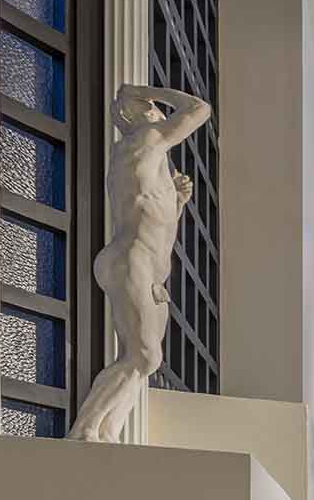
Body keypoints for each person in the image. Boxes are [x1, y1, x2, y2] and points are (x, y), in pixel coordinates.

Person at [68, 84, 212, 443]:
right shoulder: (144, 140)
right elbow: (199, 109)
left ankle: (108, 432)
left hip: (150, 270)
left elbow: (155, 220)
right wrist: (139, 90)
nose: (159, 111)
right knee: (144, 357)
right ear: (136, 113)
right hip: (132, 260)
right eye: (152, 107)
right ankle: (84, 430)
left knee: (144, 361)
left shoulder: (149, 155)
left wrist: (176, 202)